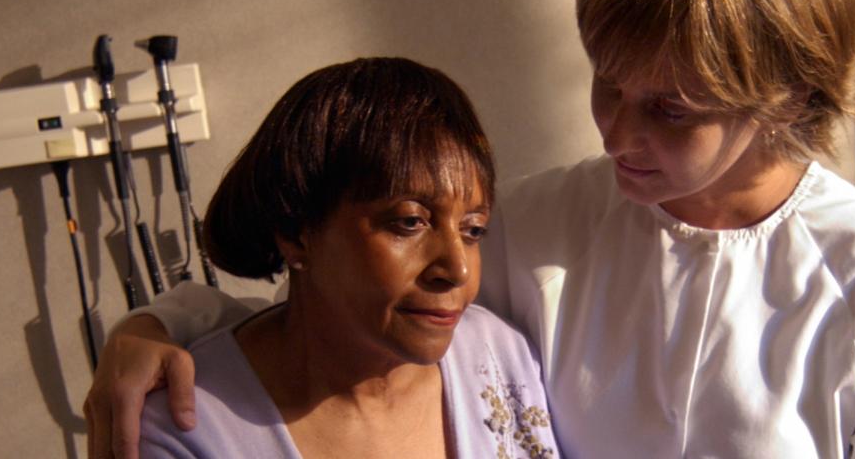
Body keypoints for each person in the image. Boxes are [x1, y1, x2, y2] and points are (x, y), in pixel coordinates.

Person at [86, 0, 855, 458]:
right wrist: (160, 326)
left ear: (783, 98)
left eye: (670, 109)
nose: (616, 133)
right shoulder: (535, 230)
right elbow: (343, 310)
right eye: (606, 84)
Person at [131, 57, 559, 458]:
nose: (457, 269)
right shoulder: (187, 427)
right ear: (296, 233)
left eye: (473, 230)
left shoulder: (498, 355)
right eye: (409, 222)